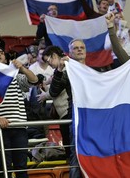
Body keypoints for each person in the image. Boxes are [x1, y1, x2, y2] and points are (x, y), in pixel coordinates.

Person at [0, 45, 38, 178]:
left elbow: (34, 80)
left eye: (1, 52)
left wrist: (22, 67)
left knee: (21, 168)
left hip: (19, 127)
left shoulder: (14, 75)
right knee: (5, 169)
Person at [42, 40, 86, 178]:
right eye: (76, 48)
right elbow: (55, 90)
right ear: (70, 52)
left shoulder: (91, 71)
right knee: (73, 155)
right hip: (71, 116)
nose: (79, 50)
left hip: (86, 116)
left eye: (82, 48)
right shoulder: (64, 70)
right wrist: (59, 71)